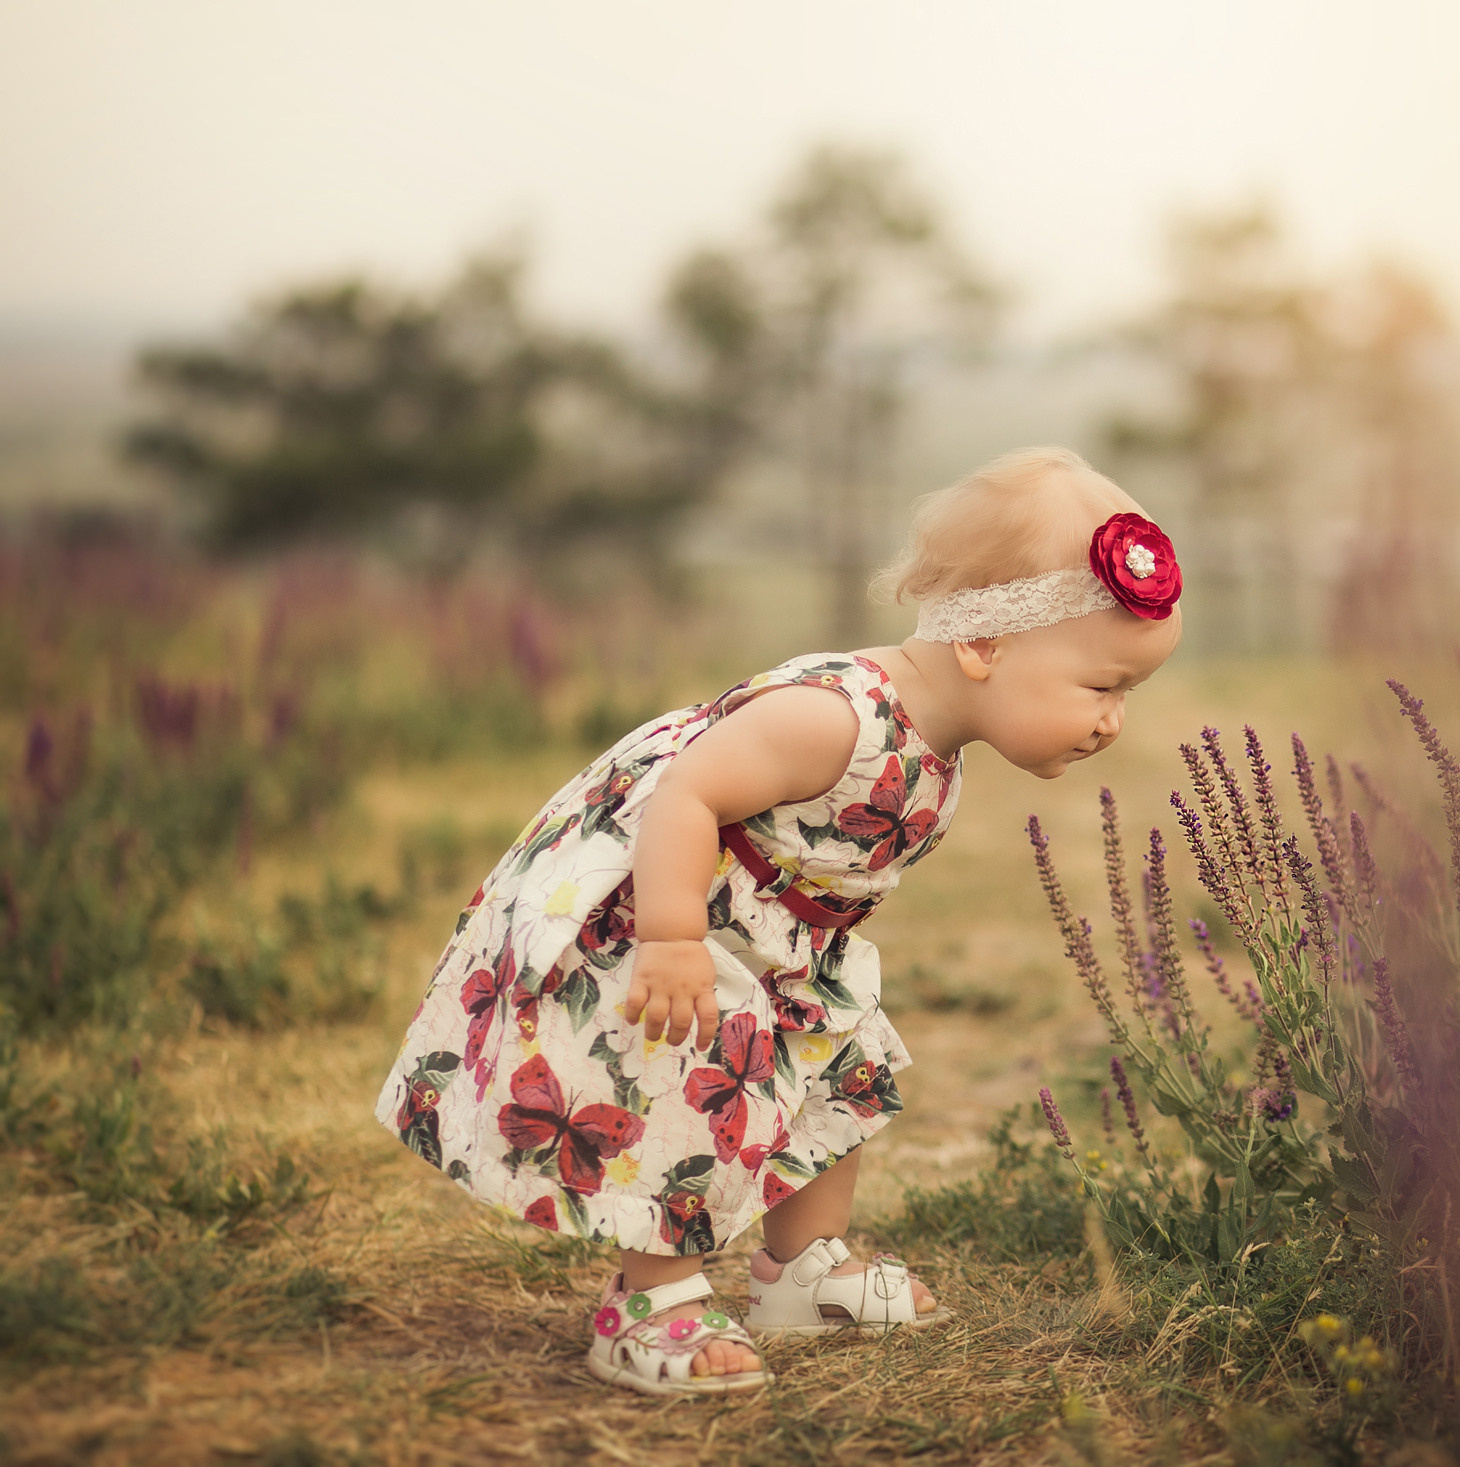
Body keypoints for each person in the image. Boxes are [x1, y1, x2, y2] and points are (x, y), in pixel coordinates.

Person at [373, 447, 1184, 1395]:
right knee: (674, 1081)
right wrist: (670, 938)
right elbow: (688, 792)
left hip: (770, 936)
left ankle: (798, 1268)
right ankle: (653, 1292)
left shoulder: (941, 732)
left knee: (834, 1067)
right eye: (1103, 686)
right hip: (657, 909)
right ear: (985, 648)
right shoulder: (833, 719)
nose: (1114, 720)